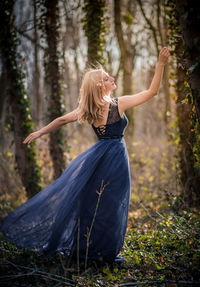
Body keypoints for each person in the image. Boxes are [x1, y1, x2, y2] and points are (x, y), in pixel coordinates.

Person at [0, 47, 170, 263]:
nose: (112, 78)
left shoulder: (88, 108)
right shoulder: (118, 104)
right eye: (108, 78)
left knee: (92, 203)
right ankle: (104, 252)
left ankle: (87, 248)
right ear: (101, 85)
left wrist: (40, 131)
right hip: (116, 158)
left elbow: (61, 120)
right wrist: (161, 64)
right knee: (112, 205)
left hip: (97, 159)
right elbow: (152, 92)